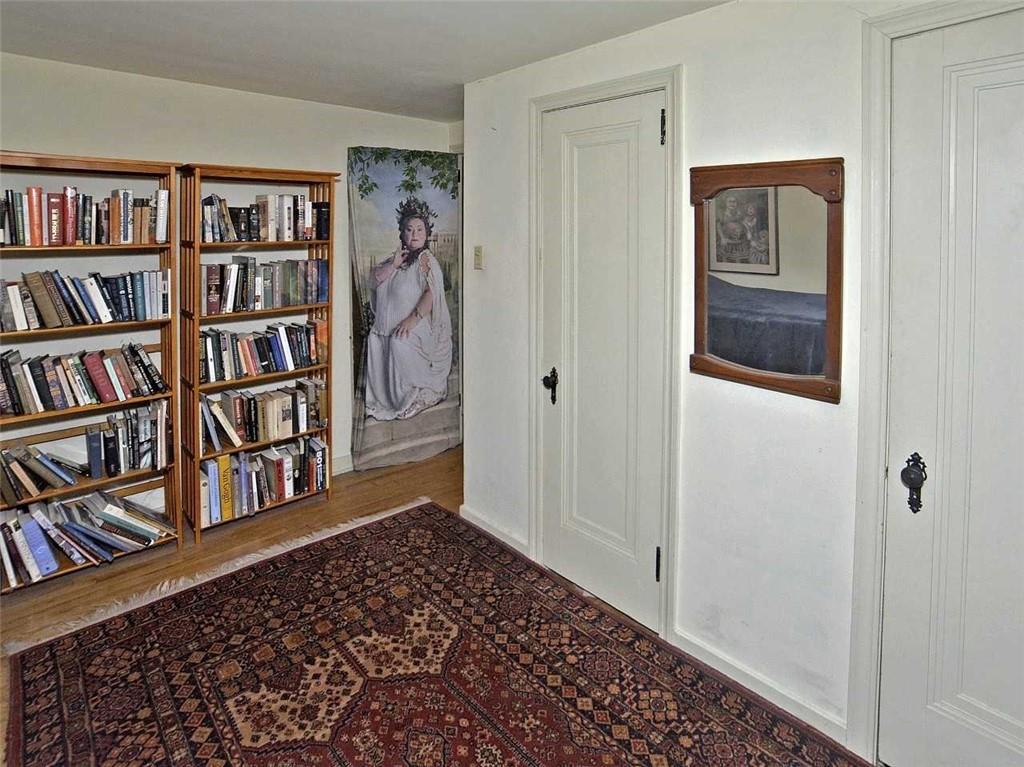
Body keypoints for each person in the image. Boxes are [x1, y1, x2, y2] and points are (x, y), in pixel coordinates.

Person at [364, 196, 453, 420]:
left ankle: (423, 393)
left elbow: (431, 293)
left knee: (399, 340)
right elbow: (374, 281)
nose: (414, 235)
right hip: (387, 327)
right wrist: (393, 264)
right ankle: (391, 398)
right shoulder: (395, 260)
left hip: (419, 328)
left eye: (419, 230)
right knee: (374, 340)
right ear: (401, 233)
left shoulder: (426, 259)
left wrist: (411, 320)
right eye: (409, 229)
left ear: (427, 234)